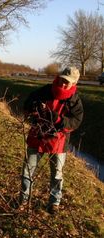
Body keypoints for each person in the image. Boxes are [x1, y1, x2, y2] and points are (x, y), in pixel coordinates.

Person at [20, 66, 84, 214]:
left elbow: (75, 121)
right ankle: (23, 201)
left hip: (58, 142)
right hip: (37, 137)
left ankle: (54, 203)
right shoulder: (44, 91)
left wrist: (59, 119)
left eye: (67, 83)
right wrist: (33, 106)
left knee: (57, 174)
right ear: (58, 77)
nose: (62, 84)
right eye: (62, 80)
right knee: (27, 171)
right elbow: (27, 104)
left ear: (73, 84)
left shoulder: (75, 101)